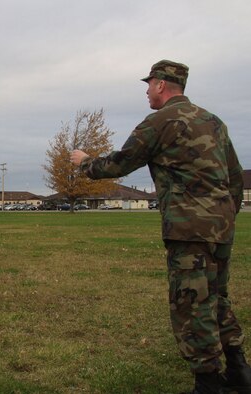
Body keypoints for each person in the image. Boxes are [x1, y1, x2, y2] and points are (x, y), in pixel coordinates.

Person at [71, 60, 251, 394]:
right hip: (221, 228)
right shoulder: (214, 121)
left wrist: (85, 163)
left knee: (191, 302)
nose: (146, 91)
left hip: (188, 230)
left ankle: (209, 383)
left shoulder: (160, 122)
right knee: (218, 298)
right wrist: (226, 215)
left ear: (161, 84)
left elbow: (121, 162)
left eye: (149, 83)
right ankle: (240, 371)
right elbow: (235, 176)